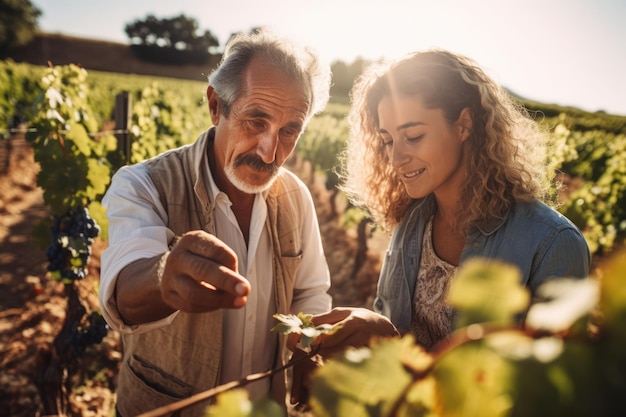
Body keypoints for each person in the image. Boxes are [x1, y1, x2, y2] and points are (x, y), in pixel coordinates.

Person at [99, 29, 335, 416]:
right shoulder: (144, 183)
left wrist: (309, 346)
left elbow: (310, 292)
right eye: (256, 120)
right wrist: (164, 277)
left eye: (290, 130)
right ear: (215, 105)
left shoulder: (296, 196)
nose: (269, 150)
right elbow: (123, 289)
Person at [339, 49, 591, 350]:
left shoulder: (552, 243)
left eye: (414, 136)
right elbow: (397, 334)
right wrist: (375, 330)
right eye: (387, 141)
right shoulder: (413, 220)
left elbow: (551, 386)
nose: (395, 158)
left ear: (464, 125)